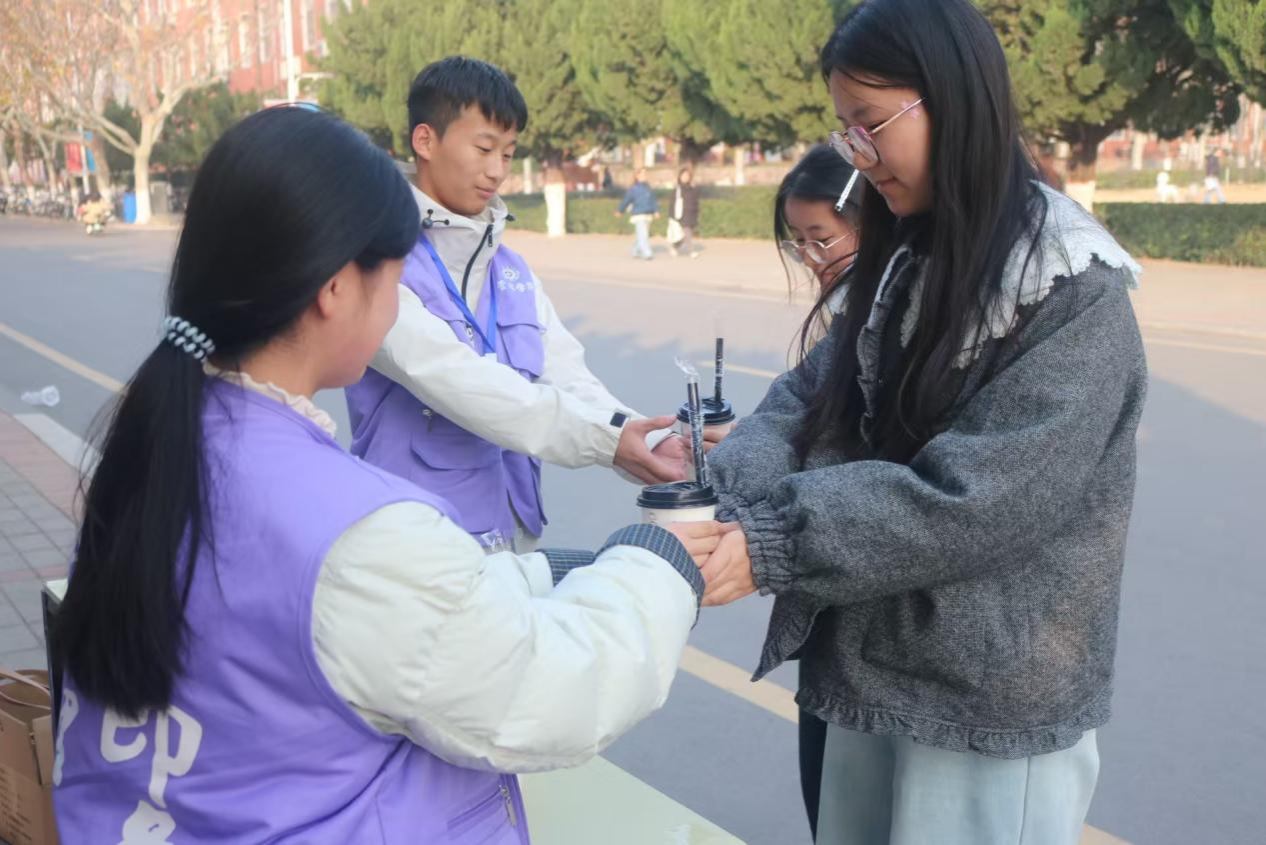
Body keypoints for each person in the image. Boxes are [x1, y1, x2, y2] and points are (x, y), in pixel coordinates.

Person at [52, 107, 715, 843]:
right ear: (336, 289)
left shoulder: (161, 448)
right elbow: (544, 695)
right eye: (396, 281)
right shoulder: (354, 530)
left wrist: (546, 573)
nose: (399, 304)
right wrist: (659, 563)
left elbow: (371, 616)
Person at [701, 1, 1147, 842]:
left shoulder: (1070, 288)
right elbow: (805, 397)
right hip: (870, 671)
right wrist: (728, 495)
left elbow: (975, 499)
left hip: (987, 706)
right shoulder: (911, 250)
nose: (858, 156)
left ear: (956, 98)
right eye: (845, 131)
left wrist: (771, 541)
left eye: (871, 124)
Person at [347, 58, 684, 556]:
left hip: (510, 536)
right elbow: (458, 381)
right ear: (425, 141)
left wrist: (653, 441)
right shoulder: (379, 260)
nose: (497, 171)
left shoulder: (511, 269)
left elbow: (568, 377)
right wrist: (606, 442)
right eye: (484, 148)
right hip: (417, 541)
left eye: (508, 153)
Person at [616, 167, 658, 260]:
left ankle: (635, 250)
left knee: (641, 234)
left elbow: (653, 201)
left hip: (647, 214)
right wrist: (620, 210)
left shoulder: (648, 188)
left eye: (645, 174)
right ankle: (647, 253)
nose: (644, 175)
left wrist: (656, 211)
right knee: (643, 235)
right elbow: (626, 200)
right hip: (638, 215)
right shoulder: (633, 189)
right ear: (637, 176)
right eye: (642, 174)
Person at [667, 167, 701, 258]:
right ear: (680, 177)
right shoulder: (677, 190)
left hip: (690, 215)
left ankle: (675, 247)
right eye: (683, 175)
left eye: (687, 176)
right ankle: (691, 251)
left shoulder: (693, 190)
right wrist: (671, 216)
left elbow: (696, 203)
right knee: (686, 233)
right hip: (680, 215)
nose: (685, 177)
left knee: (683, 235)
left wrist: (697, 215)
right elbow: (672, 204)